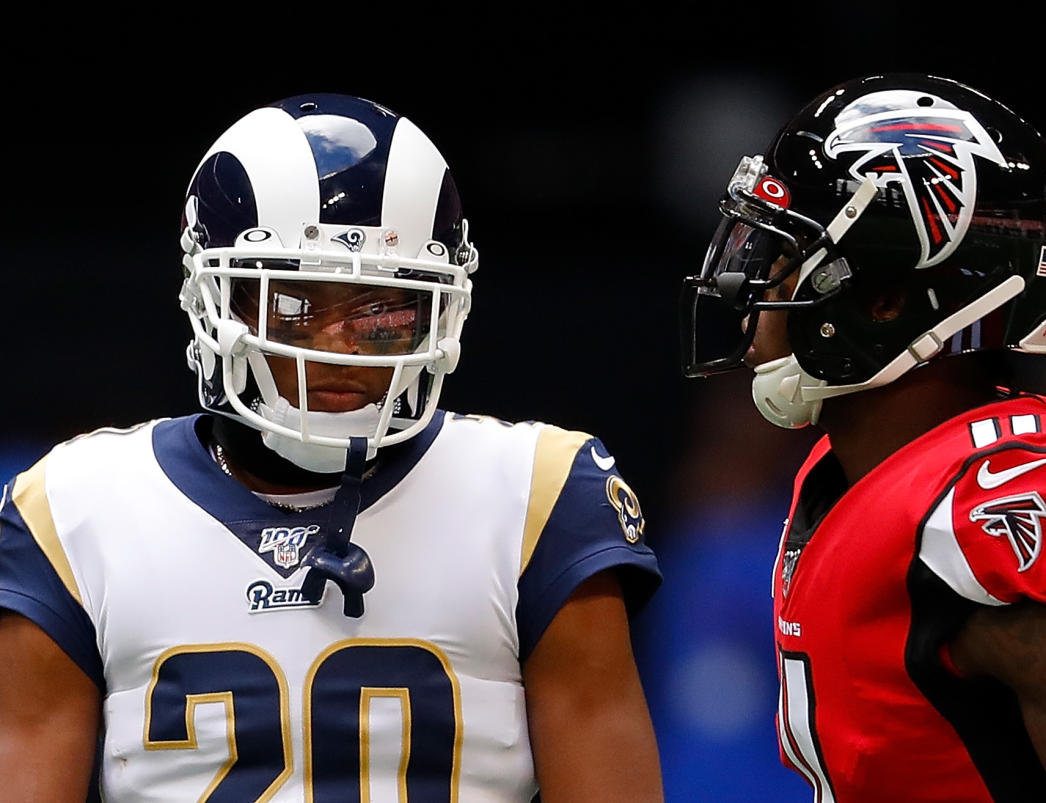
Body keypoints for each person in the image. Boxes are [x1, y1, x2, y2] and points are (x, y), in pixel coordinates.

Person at [0, 93, 663, 802]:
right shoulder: (72, 510)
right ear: (212, 302)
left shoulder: (538, 494)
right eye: (296, 302)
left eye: (383, 308)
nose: (337, 346)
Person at [679, 73, 1046, 801]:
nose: (752, 286)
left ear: (884, 298)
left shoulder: (1000, 497)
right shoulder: (844, 469)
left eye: (782, 257)